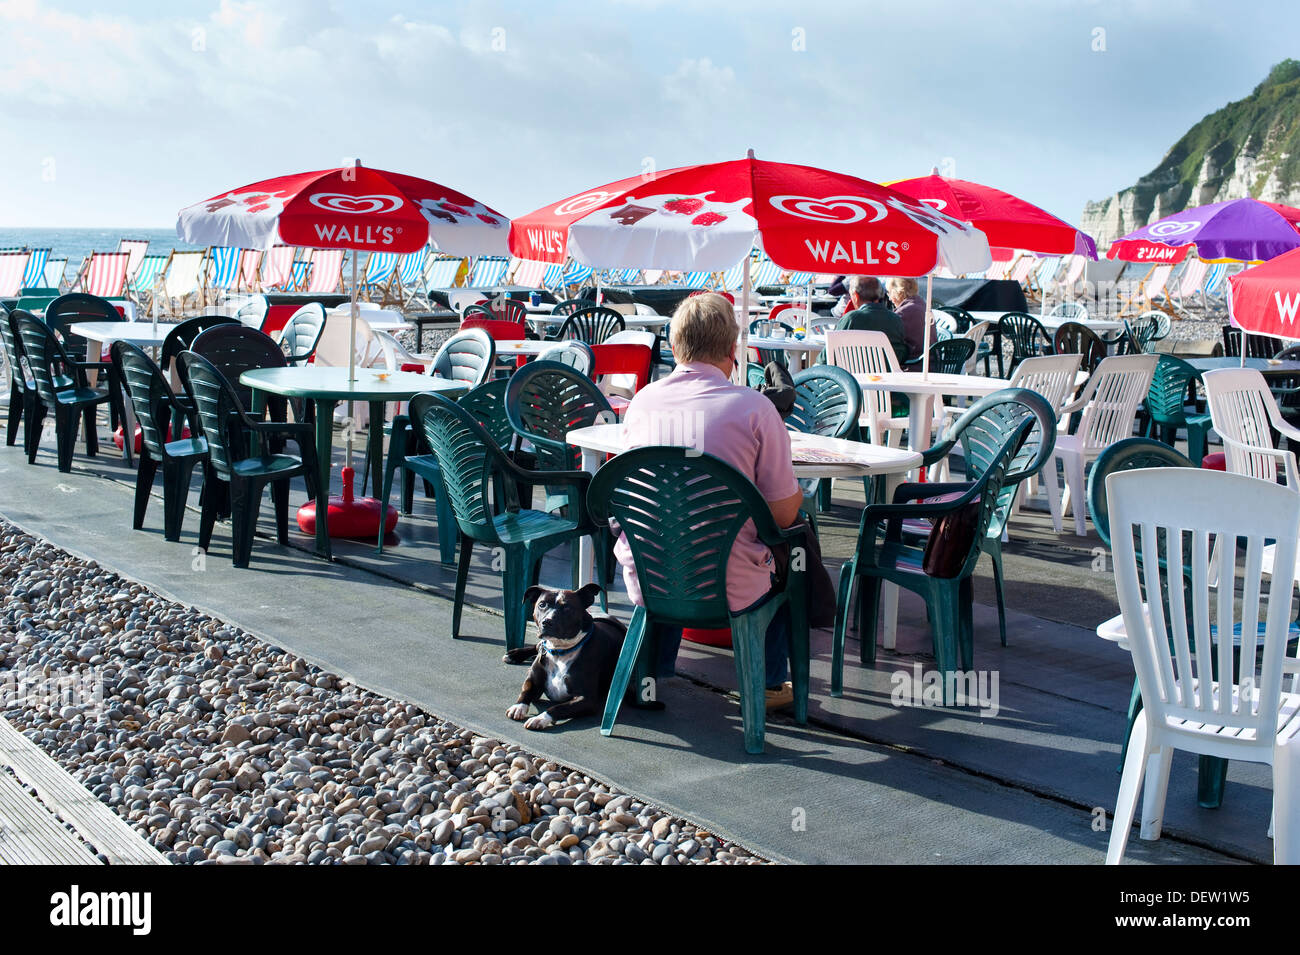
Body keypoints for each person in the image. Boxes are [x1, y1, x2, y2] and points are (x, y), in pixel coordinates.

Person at [617, 292, 804, 710]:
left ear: (675, 344)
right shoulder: (755, 408)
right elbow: (783, 513)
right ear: (731, 350)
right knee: (794, 550)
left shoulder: (643, 401)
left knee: (672, 527)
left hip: (650, 573)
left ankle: (649, 670)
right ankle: (770, 684)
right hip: (728, 584)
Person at [834, 275, 908, 365]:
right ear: (879, 294)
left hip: (854, 376)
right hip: (887, 376)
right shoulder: (895, 320)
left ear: (856, 296)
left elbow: (826, 357)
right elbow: (902, 353)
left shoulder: (851, 319)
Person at [886, 276, 935, 363]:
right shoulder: (923, 305)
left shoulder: (903, 312)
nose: (889, 298)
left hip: (914, 364)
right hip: (933, 362)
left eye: (889, 293)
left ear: (897, 292)